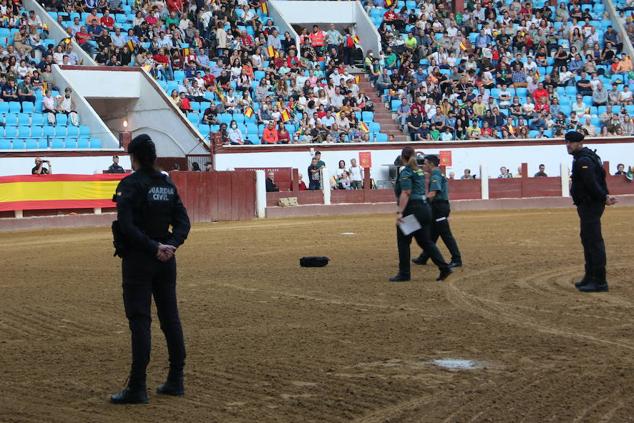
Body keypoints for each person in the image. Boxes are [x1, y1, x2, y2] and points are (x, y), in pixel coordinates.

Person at [111, 134, 191, 404]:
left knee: (140, 320)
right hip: (166, 261)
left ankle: (137, 387)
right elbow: (183, 223)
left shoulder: (130, 184)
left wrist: (153, 247)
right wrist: (170, 246)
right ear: (154, 157)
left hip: (139, 260)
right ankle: (176, 379)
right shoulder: (167, 185)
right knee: (170, 318)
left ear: (133, 158)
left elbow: (126, 226)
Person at [390, 147, 452, 283]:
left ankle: (404, 273)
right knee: (425, 241)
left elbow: (406, 192)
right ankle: (444, 267)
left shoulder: (406, 172)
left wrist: (400, 212)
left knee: (403, 241)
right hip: (424, 209)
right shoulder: (419, 171)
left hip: (412, 210)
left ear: (402, 157)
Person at [566, 131, 617, 293]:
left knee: (593, 241)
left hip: (590, 204)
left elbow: (592, 183)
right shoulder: (585, 157)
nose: (567, 145)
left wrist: (604, 197)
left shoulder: (583, 160)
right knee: (587, 239)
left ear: (579, 143)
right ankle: (590, 277)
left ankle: (600, 281)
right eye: (566, 142)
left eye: (571, 142)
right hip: (588, 204)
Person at [412, 155, 462, 268]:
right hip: (437, 207)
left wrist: (421, 201)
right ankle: (424, 257)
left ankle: (457, 259)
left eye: (425, 163)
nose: (423, 166)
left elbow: (433, 193)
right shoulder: (437, 173)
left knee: (445, 234)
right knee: (432, 234)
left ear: (431, 164)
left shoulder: (435, 174)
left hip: (439, 207)